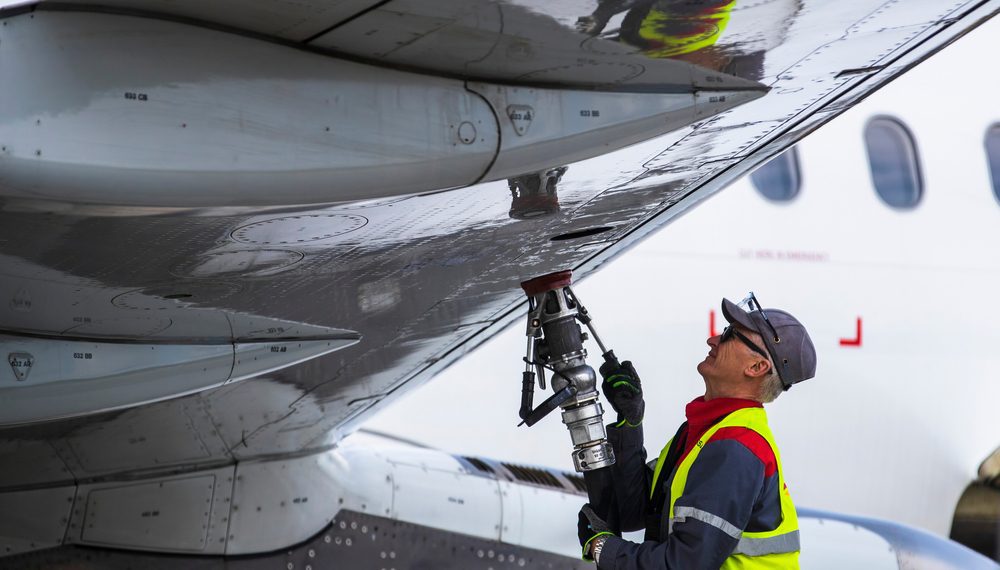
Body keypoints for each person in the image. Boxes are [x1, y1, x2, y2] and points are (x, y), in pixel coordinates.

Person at [578, 293, 817, 569]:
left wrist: (603, 549)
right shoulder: (708, 430)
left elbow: (684, 564)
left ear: (756, 367)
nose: (712, 339)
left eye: (729, 335)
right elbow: (639, 512)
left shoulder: (736, 447)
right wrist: (630, 423)